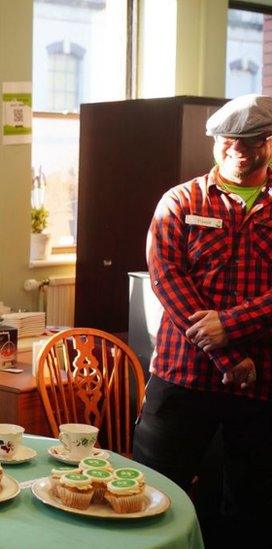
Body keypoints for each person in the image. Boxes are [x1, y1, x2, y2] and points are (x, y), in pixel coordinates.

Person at [135, 93, 272, 544]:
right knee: (151, 496)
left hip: (261, 384)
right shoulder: (179, 201)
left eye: (252, 140)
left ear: (268, 142)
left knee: (250, 509)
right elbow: (167, 281)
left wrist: (230, 327)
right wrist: (229, 358)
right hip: (181, 379)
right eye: (229, 140)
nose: (239, 150)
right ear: (214, 141)